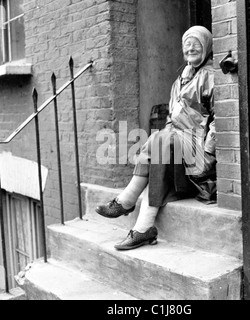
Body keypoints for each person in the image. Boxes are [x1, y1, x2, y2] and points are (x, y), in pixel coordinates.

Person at [95, 25, 216, 250]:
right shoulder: (180, 78)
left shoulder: (211, 75)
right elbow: (172, 117)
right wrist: (168, 134)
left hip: (199, 151)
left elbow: (220, 120)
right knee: (159, 139)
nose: (190, 48)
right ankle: (143, 227)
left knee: (159, 140)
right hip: (179, 145)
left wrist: (208, 153)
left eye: (196, 44)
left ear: (207, 46)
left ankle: (128, 202)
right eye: (186, 44)